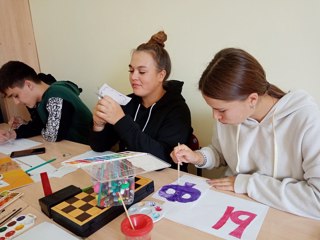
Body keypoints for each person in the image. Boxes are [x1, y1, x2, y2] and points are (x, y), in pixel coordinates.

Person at [170, 48, 320, 220]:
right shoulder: (228, 120)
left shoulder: (307, 120)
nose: (215, 116)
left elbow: (317, 200)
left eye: (221, 109)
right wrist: (197, 157)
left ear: (252, 99)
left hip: (285, 217)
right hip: (236, 208)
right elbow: (220, 153)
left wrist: (246, 183)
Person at [90, 31, 193, 171]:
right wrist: (98, 125)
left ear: (161, 75)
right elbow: (99, 147)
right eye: (131, 71)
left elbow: (164, 160)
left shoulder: (177, 110)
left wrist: (121, 121)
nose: (133, 77)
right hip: (128, 177)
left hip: (164, 183)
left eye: (142, 72)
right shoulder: (128, 102)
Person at [0, 61, 92, 145]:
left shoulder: (56, 95)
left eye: (16, 96)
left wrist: (43, 128)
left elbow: (52, 136)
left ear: (28, 85)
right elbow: (40, 125)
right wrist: (12, 133)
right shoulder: (45, 98)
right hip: (72, 149)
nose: (16, 102)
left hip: (86, 152)